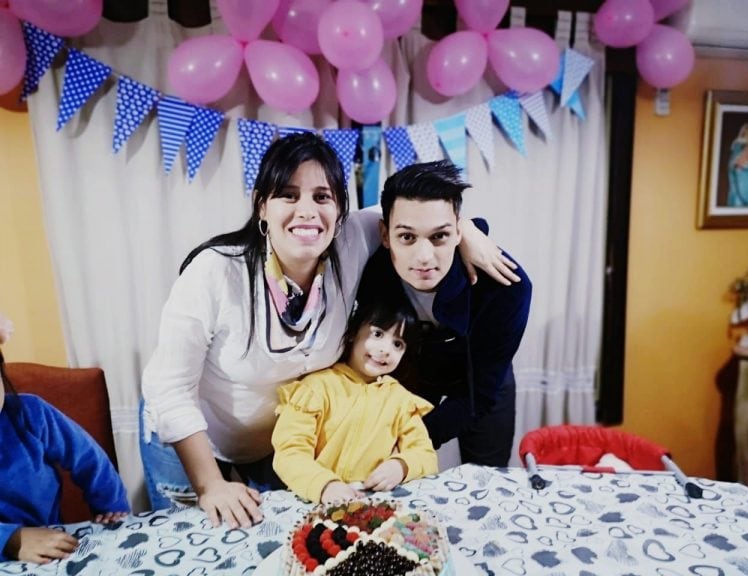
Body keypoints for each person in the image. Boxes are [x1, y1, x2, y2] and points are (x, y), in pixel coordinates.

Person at [140, 133, 518, 529]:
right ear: (261, 206)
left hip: (278, 442)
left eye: (322, 197)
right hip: (190, 442)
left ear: (340, 211)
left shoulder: (351, 241)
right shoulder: (214, 271)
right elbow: (171, 389)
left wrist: (469, 230)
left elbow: (420, 214)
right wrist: (210, 485)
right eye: (288, 194)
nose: (307, 211)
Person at [356, 160, 533, 468]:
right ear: (385, 235)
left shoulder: (507, 289)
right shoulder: (369, 272)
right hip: (410, 371)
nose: (424, 258)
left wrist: (416, 438)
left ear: (457, 233)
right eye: (407, 238)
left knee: (487, 476)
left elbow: (478, 397)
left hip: (481, 379)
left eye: (439, 237)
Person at [272, 301, 437, 504]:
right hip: (314, 501)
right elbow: (289, 453)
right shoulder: (315, 387)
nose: (386, 349)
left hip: (374, 505)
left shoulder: (401, 400)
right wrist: (324, 485)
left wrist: (401, 466)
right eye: (378, 334)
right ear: (352, 333)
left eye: (398, 344)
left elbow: (426, 455)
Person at [0, 313, 129, 564]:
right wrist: (12, 539)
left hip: (51, 550)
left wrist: (112, 508)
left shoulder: (31, 413)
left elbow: (89, 459)